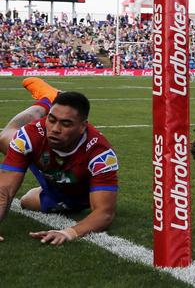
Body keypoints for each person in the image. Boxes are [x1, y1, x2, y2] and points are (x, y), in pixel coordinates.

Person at [0, 78, 118, 244]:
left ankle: (48, 190)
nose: (55, 129)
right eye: (52, 120)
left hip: (74, 190)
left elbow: (105, 213)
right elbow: (4, 188)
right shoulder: (31, 134)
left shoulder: (100, 154)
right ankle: (47, 100)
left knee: (27, 202)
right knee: (5, 138)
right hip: (44, 163)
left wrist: (69, 232)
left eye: (66, 123)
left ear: (83, 126)